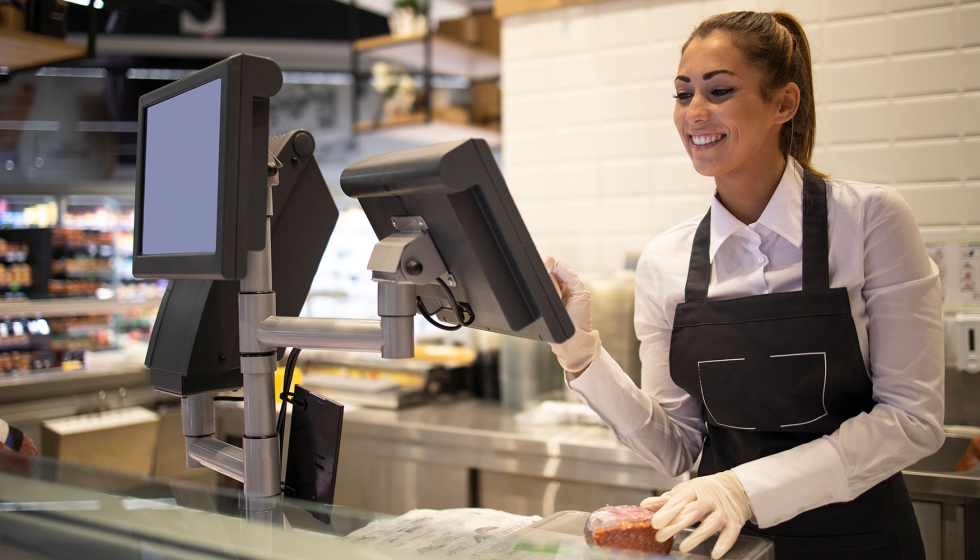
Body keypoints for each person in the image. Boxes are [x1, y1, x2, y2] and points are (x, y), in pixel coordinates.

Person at [544, 11, 944, 560]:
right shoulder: (666, 261)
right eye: (683, 95)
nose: (695, 113)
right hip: (727, 548)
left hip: (861, 540)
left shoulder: (870, 221)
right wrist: (581, 355)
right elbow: (677, 446)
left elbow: (912, 420)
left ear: (783, 103)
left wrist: (741, 488)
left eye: (720, 91)